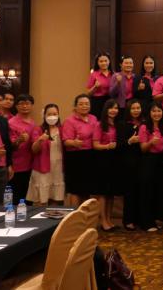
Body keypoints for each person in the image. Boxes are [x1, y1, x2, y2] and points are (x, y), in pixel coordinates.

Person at [26, 103, 65, 206]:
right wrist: (40, 140)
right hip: (42, 168)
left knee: (56, 198)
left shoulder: (62, 129)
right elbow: (34, 150)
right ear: (44, 115)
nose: (52, 116)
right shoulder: (38, 129)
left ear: (58, 115)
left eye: (55, 114)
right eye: (49, 114)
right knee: (41, 200)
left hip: (58, 168)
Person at [62, 94, 97, 207]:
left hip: (90, 156)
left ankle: (84, 215)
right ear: (75, 107)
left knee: (86, 189)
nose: (84, 106)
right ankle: (75, 215)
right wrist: (74, 143)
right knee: (75, 189)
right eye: (81, 104)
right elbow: (66, 141)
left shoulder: (93, 118)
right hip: (75, 157)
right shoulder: (69, 121)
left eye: (87, 104)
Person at [138, 103, 163, 232]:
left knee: (158, 191)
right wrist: (151, 142)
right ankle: (146, 222)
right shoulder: (144, 127)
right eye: (154, 111)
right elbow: (143, 148)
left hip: (161, 161)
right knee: (147, 191)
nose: (156, 113)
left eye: (159, 111)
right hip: (148, 160)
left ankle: (156, 219)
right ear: (149, 113)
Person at [93, 99, 119, 230]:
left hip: (114, 160)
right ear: (106, 110)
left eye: (116, 108)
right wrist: (107, 146)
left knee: (111, 192)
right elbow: (95, 144)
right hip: (102, 160)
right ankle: (103, 221)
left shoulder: (117, 124)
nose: (114, 110)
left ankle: (109, 219)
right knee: (103, 192)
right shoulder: (99, 124)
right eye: (111, 108)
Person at [117, 99, 143, 230]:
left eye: (138, 108)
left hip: (142, 161)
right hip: (128, 162)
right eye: (133, 108)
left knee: (140, 191)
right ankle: (128, 220)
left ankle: (138, 218)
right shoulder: (123, 124)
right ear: (128, 110)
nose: (136, 110)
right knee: (130, 192)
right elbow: (119, 145)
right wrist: (130, 141)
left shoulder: (144, 123)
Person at [8, 94, 39, 203]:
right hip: (15, 167)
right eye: (21, 104)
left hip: (30, 167)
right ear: (16, 106)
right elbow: (9, 147)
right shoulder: (11, 123)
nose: (25, 106)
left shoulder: (34, 124)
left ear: (32, 105)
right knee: (14, 200)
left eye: (27, 103)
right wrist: (19, 140)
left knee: (28, 200)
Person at [87, 52, 112, 119]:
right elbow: (88, 93)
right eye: (101, 61)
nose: (104, 63)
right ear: (97, 63)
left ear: (109, 61)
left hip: (110, 101)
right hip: (97, 102)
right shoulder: (93, 75)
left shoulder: (113, 74)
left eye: (105, 61)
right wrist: (95, 87)